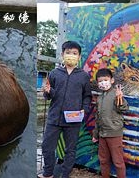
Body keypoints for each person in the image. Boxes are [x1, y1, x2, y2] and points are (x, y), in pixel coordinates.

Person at [39, 41, 92, 178]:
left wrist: (83, 110)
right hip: (54, 117)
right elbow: (48, 95)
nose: (71, 56)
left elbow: (87, 96)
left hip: (73, 118)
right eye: (68, 53)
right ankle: (48, 173)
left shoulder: (84, 76)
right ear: (62, 54)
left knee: (70, 149)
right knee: (47, 147)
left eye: (74, 53)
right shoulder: (54, 73)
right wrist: (47, 91)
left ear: (79, 57)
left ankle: (65, 174)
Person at [92, 68, 129, 178]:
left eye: (105, 80)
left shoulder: (116, 94)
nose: (103, 83)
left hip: (114, 133)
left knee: (118, 162)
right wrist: (95, 134)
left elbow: (124, 109)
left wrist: (120, 98)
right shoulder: (99, 98)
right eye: (100, 81)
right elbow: (97, 118)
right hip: (102, 134)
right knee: (103, 160)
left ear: (112, 80)